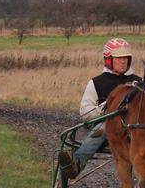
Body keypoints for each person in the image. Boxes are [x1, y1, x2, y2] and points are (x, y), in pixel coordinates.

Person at [58, 38, 140, 178]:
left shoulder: (139, 82)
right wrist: (106, 109)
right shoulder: (96, 83)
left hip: (134, 130)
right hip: (108, 131)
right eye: (119, 58)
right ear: (108, 59)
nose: (123, 61)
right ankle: (76, 165)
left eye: (126, 57)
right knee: (102, 127)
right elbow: (85, 112)